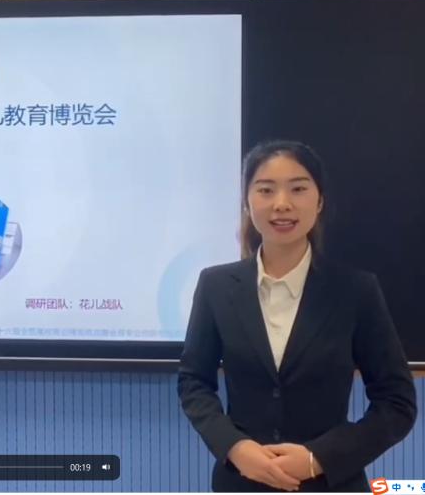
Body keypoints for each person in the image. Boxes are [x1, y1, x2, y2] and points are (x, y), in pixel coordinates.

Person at [178, 140, 416, 492]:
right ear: (247, 202)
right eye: (265, 190)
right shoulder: (216, 286)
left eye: (298, 189)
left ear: (319, 201)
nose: (282, 204)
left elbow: (396, 403)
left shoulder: (355, 290)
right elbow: (194, 382)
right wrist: (235, 447)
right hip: (242, 481)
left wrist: (318, 458)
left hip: (330, 483)